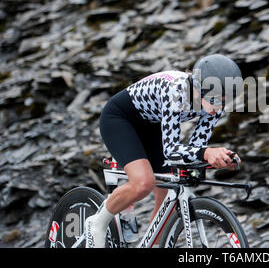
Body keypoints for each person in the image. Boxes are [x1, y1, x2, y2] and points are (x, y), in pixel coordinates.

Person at [84, 54, 243, 248]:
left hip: (152, 125)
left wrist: (220, 159)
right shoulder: (176, 90)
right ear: (199, 87)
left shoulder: (213, 105)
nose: (217, 107)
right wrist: (207, 152)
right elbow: (171, 149)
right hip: (120, 119)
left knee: (168, 191)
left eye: (224, 100)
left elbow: (196, 148)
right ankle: (96, 224)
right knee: (144, 182)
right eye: (214, 99)